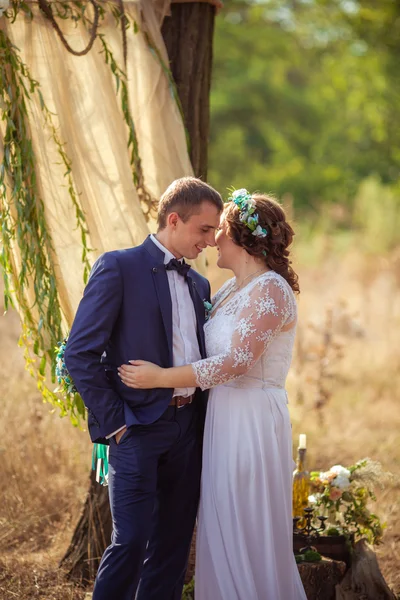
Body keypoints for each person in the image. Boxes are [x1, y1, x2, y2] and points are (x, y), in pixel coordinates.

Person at [119, 189, 308, 600]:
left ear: (240, 237)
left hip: (251, 421)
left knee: (245, 523)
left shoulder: (271, 290)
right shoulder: (225, 291)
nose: (210, 240)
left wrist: (160, 378)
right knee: (220, 522)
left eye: (217, 230)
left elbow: (237, 360)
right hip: (220, 417)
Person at [64, 177, 224, 600]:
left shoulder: (199, 285)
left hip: (188, 428)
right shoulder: (118, 267)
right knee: (131, 542)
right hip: (136, 428)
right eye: (204, 230)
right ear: (174, 220)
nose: (211, 240)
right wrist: (116, 424)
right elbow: (79, 353)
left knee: (172, 548)